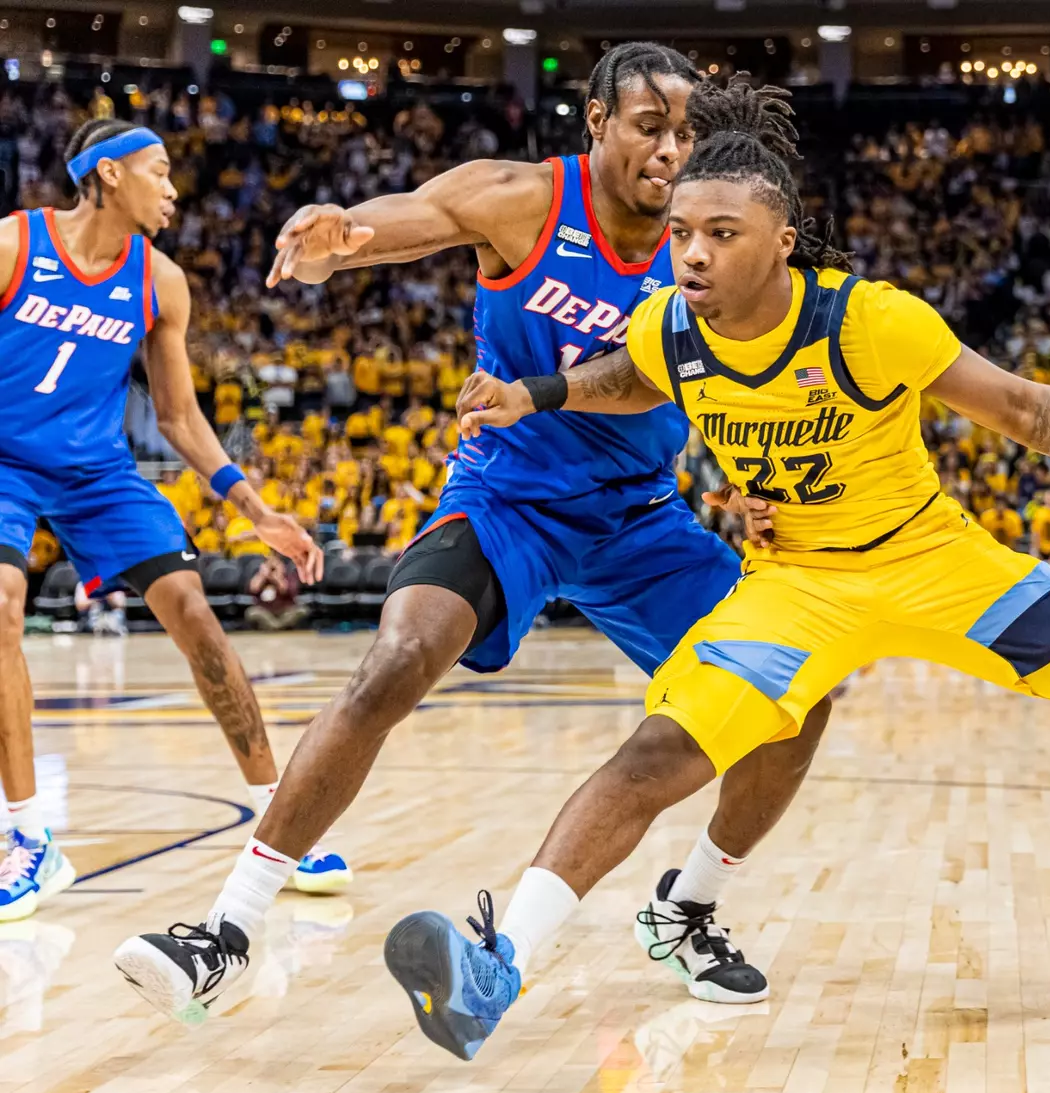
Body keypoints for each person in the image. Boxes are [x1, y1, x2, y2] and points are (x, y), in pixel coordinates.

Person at [379, 79, 1050, 1061]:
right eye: (682, 231)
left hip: (934, 562)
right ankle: (499, 965)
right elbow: (633, 374)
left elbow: (1021, 407)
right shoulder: (669, 324)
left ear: (782, 239)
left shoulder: (870, 321)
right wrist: (538, 392)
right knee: (656, 755)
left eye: (721, 233)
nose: (692, 253)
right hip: (795, 588)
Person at [117, 44, 829, 1019]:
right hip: (510, 499)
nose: (671, 150)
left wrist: (758, 478)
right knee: (398, 656)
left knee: (797, 693)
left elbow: (718, 376)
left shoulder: (710, 237)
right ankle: (225, 932)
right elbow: (408, 219)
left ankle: (688, 908)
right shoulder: (522, 200)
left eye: (687, 132)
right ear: (597, 121)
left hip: (642, 517)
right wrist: (341, 235)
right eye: (650, 127)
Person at [0, 119, 328, 922]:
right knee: (1, 606)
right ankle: (29, 838)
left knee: (196, 616)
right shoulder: (12, 246)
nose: (174, 190)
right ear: (109, 174)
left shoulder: (160, 279)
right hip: (4, 461)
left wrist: (255, 510)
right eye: (159, 170)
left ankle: (279, 826)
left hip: (97, 473)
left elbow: (180, 418)